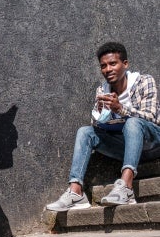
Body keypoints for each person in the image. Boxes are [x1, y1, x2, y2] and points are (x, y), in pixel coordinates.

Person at [47, 42, 160, 212]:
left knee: (133, 122)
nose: (108, 69)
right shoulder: (103, 89)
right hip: (126, 148)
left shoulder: (144, 81)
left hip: (153, 144)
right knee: (85, 132)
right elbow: (98, 125)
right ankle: (76, 191)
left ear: (125, 64)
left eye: (113, 63)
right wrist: (101, 115)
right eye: (103, 66)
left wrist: (120, 108)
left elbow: (152, 117)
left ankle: (126, 188)